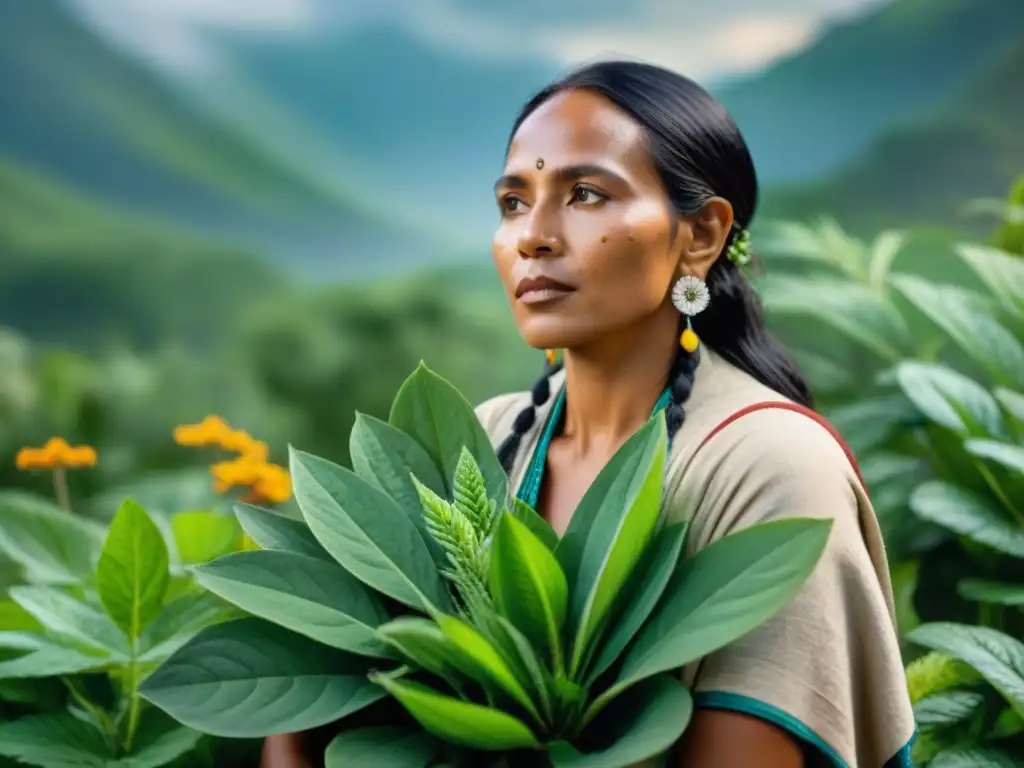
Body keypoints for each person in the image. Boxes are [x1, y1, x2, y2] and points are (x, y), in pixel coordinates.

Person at [475, 60, 916, 767]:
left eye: (584, 194)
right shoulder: (488, 436)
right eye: (512, 202)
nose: (533, 235)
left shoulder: (772, 470)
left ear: (702, 235)